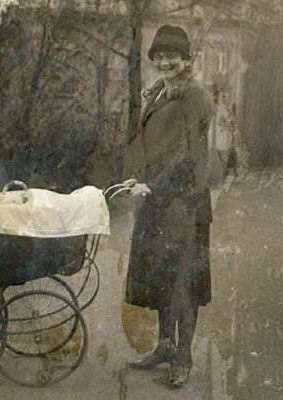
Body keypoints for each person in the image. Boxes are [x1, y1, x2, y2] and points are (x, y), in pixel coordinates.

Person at [124, 24, 214, 388]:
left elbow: (191, 155)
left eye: (172, 56)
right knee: (161, 278)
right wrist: (135, 177)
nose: (164, 62)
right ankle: (165, 347)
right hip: (157, 201)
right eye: (159, 56)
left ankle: (185, 358)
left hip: (184, 203)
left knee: (183, 285)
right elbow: (146, 142)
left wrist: (157, 186)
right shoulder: (159, 91)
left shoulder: (195, 96)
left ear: (186, 59)